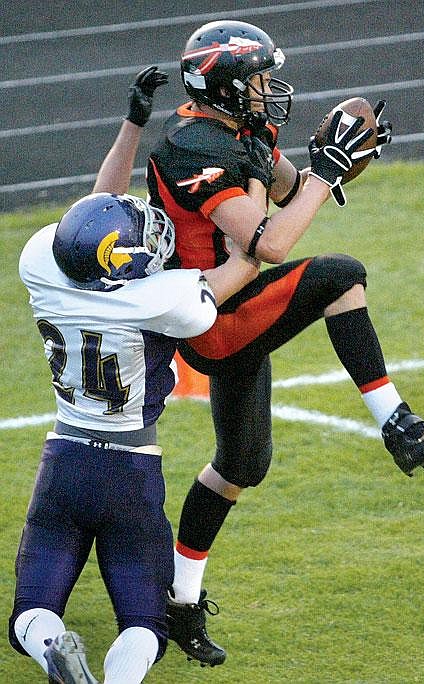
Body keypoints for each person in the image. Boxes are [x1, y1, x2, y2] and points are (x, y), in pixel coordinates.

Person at [145, 20, 424, 667]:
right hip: (212, 319)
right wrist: (322, 175)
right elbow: (271, 243)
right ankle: (396, 424)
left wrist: (347, 164)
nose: (266, 88)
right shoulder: (190, 148)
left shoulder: (238, 131)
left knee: (240, 467)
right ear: (226, 88)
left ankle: (179, 604)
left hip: (234, 315)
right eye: (256, 79)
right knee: (340, 275)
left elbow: (288, 191)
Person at [8, 67, 260, 684]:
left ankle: (51, 650)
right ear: (128, 263)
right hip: (129, 472)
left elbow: (93, 215)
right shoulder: (160, 297)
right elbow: (247, 262)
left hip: (63, 460)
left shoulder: (45, 266)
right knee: (144, 624)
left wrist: (132, 124)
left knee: (29, 612)